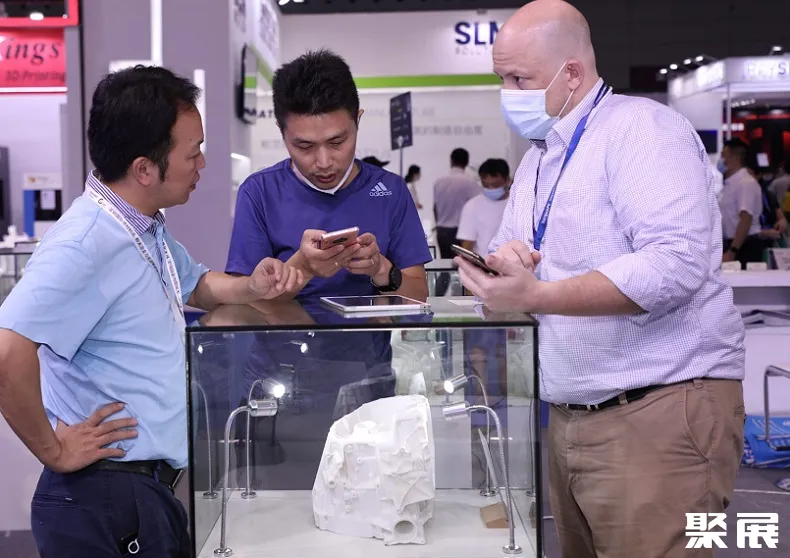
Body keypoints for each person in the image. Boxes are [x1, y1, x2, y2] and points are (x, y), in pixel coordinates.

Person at [454, 2, 746, 557]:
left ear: (571, 73)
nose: (508, 94)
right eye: (501, 79)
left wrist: (539, 294)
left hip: (658, 412)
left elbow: (675, 263)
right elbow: (511, 257)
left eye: (520, 79)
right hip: (571, 417)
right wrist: (503, 271)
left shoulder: (642, 130)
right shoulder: (539, 159)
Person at [0, 66, 301, 558]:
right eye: (193, 152)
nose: (202, 163)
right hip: (106, 496)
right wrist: (54, 451)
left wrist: (252, 286)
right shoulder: (84, 244)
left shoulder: (142, 228)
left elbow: (196, 284)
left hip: (142, 492)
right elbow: (7, 352)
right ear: (144, 169)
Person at [226, 49, 431, 301]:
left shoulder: (391, 190)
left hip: (369, 329)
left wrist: (380, 269)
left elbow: (419, 295)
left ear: (358, 120)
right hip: (285, 329)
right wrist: (303, 266)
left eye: (337, 142)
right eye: (304, 146)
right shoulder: (260, 192)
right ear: (281, 131)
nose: (323, 162)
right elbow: (244, 302)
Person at [433, 147, 480, 295]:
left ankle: (437, 298)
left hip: (442, 230)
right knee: (464, 268)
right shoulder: (470, 183)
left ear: (451, 161)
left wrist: (439, 224)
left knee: (444, 267)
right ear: (466, 162)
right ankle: (462, 299)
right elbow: (475, 208)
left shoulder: (439, 182)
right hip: (461, 233)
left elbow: (435, 207)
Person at [719, 139, 767, 267]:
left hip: (745, 245)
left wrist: (732, 251)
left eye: (723, 155)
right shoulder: (730, 183)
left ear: (734, 158)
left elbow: (746, 219)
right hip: (733, 244)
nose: (721, 160)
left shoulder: (745, 183)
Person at [456, 158, 511, 255]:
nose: (491, 189)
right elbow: (467, 244)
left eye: (495, 185)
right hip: (483, 262)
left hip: (513, 262)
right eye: (486, 185)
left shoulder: (517, 205)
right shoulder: (472, 206)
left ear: (507, 181)